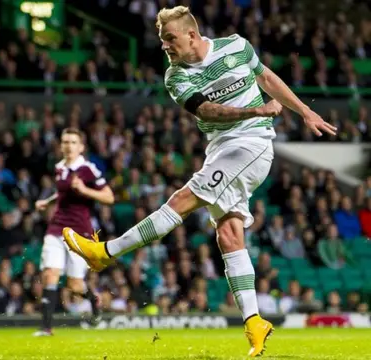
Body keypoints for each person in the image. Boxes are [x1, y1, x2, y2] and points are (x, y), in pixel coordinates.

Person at [61, 6, 336, 357]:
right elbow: (207, 110)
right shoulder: (175, 77)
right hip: (221, 149)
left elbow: (266, 79)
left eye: (170, 39)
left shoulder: (236, 46)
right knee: (229, 235)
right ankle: (254, 322)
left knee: (182, 199)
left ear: (192, 35)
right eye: (162, 42)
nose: (165, 47)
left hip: (252, 146)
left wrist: (305, 111)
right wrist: (256, 109)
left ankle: (105, 253)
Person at [32, 128, 114, 336]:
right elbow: (62, 193)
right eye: (65, 141)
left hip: (79, 233)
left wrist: (85, 190)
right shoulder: (59, 167)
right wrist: (47, 201)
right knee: (50, 274)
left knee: (74, 285)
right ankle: (46, 328)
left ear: (81, 147)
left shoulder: (88, 169)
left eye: (73, 142)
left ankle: (93, 300)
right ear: (61, 145)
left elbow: (109, 197)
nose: (68, 145)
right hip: (56, 227)